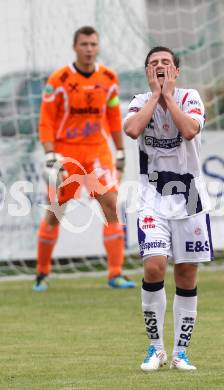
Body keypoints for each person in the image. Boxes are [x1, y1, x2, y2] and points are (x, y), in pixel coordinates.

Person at [124, 46, 213, 371]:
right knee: (154, 267)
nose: (160, 66)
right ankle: (155, 349)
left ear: (176, 71)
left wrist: (168, 97)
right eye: (153, 63)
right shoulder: (137, 101)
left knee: (186, 273)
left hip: (190, 197)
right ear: (147, 71)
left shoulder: (191, 97)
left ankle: (180, 353)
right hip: (152, 197)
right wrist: (154, 97)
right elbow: (133, 130)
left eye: (166, 63)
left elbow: (189, 130)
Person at [32, 26, 135, 291]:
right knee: (55, 213)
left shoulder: (109, 78)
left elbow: (113, 118)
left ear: (98, 47)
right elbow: (46, 121)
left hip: (97, 152)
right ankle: (42, 273)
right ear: (74, 47)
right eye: (84, 44)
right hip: (66, 154)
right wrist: (50, 155)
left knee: (111, 206)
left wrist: (120, 152)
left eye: (93, 44)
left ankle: (115, 273)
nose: (89, 49)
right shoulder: (60, 79)